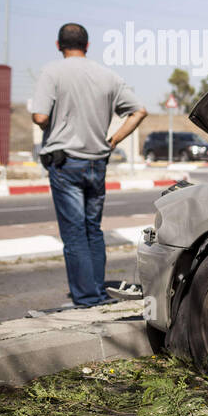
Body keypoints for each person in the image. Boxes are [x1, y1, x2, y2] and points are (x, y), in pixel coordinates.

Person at [31, 23, 148, 307]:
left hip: (65, 163)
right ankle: (95, 290)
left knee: (74, 233)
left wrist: (49, 119)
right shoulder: (108, 75)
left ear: (59, 45)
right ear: (88, 45)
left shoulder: (52, 72)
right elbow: (139, 111)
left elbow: (40, 117)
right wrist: (114, 140)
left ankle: (86, 298)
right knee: (93, 229)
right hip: (98, 162)